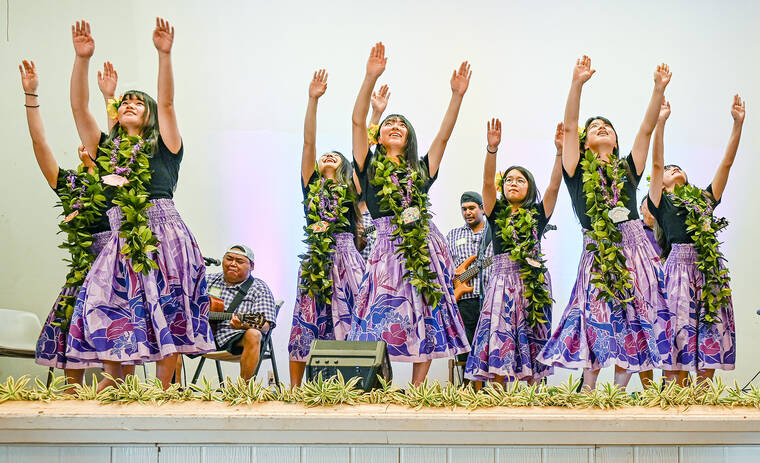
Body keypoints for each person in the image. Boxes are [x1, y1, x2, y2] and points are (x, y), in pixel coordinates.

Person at [65, 18, 214, 390]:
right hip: (121, 236)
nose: (131, 104)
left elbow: (165, 101)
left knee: (166, 304)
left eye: (137, 102)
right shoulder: (107, 150)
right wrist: (82, 59)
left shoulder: (165, 146)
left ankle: (165, 394)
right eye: (125, 101)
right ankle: (112, 382)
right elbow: (79, 109)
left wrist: (164, 55)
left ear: (148, 115)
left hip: (163, 232)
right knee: (107, 300)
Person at [537, 56, 672, 389]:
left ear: (615, 140)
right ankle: (590, 390)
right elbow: (569, 126)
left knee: (634, 317)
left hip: (634, 250)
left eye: (607, 127)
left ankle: (621, 393)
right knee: (596, 317)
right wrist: (577, 84)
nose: (601, 128)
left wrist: (658, 89)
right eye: (594, 127)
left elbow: (645, 129)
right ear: (584, 143)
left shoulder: (627, 169)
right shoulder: (575, 171)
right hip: (598, 251)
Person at [348, 43, 471, 385]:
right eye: (390, 123)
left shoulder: (419, 169)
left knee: (424, 307)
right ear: (379, 136)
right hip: (387, 245)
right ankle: (374, 381)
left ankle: (418, 388)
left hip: (423, 245)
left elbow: (444, 137)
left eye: (402, 124)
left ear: (409, 136)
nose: (396, 125)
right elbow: (358, 122)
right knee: (380, 310)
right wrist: (370, 77)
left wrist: (456, 97)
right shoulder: (369, 166)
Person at [21, 59, 112, 386]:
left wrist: (108, 98)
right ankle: (73, 395)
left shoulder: (117, 182)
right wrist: (31, 96)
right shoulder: (69, 184)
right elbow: (40, 144)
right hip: (85, 267)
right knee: (74, 328)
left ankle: (111, 395)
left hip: (115, 268)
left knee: (113, 335)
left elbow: (118, 142)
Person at [648, 96, 744, 384]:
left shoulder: (702, 200)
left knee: (710, 329)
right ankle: (673, 392)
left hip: (707, 269)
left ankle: (703, 395)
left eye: (678, 168)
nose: (672, 169)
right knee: (677, 332)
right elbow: (655, 163)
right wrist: (661, 122)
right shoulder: (660, 203)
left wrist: (737, 125)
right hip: (677, 270)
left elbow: (726, 165)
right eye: (668, 170)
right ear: (661, 182)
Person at [465, 119, 563, 385]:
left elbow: (554, 186)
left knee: (533, 335)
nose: (513, 183)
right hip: (501, 281)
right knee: (499, 336)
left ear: (529, 187)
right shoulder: (496, 213)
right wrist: (492, 149)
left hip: (533, 283)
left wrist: (559, 153)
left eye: (520, 180)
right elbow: (487, 182)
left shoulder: (538, 214)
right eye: (508, 179)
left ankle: (531, 399)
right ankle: (498, 397)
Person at [288, 70, 365, 387]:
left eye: (336, 155)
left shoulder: (353, 189)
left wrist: (372, 114)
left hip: (347, 259)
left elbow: (363, 158)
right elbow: (309, 141)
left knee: (352, 322)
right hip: (316, 261)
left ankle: (357, 384)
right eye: (325, 155)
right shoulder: (311, 187)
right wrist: (312, 100)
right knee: (306, 321)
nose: (328, 155)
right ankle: (295, 391)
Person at [206, 245, 276, 382]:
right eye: (229, 259)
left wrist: (243, 324)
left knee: (254, 334)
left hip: (233, 337)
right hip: (204, 335)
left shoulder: (259, 288)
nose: (233, 264)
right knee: (175, 330)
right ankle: (173, 392)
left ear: (252, 266)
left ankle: (244, 391)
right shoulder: (207, 280)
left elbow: (265, 324)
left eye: (239, 261)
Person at [445, 191, 493, 367]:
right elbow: (445, 265)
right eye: (464, 209)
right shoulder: (453, 235)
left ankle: (490, 392)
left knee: (489, 347)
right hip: (463, 300)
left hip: (489, 298)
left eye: (472, 208)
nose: (467, 212)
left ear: (482, 208)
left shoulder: (493, 233)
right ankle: (466, 391)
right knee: (465, 348)